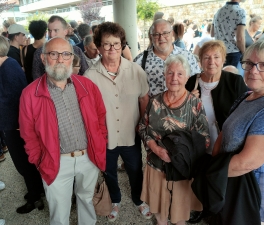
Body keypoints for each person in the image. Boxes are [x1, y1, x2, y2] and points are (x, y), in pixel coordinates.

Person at [19, 37, 107, 225]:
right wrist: (39, 160)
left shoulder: (87, 86)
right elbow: (28, 134)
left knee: (86, 200)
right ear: (43, 58)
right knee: (59, 210)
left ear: (72, 59)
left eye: (66, 54)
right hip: (55, 161)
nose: (60, 59)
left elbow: (101, 118)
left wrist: (100, 143)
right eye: (54, 54)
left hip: (88, 157)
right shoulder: (30, 93)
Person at [213, 39, 264, 225]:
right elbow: (225, 131)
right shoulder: (248, 96)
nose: (253, 70)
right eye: (249, 63)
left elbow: (246, 163)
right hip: (233, 182)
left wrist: (208, 173)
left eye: (263, 65)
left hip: (256, 193)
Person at [84, 22, 151, 222]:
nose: (112, 48)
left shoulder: (136, 71)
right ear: (98, 46)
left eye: (116, 43)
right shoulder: (90, 76)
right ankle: (115, 199)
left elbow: (144, 99)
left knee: (135, 169)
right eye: (106, 44)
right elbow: (89, 111)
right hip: (106, 136)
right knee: (109, 170)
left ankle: (139, 199)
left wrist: (143, 128)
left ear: (122, 45)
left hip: (131, 132)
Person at [138, 54, 210, 225]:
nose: (174, 78)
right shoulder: (154, 101)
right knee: (159, 212)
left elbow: (204, 138)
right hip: (156, 164)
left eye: (179, 74)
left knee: (180, 215)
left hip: (181, 171)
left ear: (186, 77)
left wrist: (181, 154)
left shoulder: (194, 104)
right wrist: (156, 149)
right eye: (170, 73)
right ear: (164, 75)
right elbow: (142, 127)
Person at [185, 40, 247, 223]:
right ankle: (203, 209)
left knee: (222, 177)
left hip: (225, 141)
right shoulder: (191, 82)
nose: (211, 61)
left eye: (216, 57)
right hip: (198, 142)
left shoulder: (234, 81)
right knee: (201, 175)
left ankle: (223, 212)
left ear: (223, 60)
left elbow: (245, 114)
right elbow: (178, 114)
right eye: (206, 57)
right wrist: (188, 101)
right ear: (200, 61)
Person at [0, 35, 45, 214]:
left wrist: (22, 125)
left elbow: (21, 98)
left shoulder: (8, 66)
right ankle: (35, 191)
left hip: (17, 125)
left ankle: (35, 197)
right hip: (10, 124)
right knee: (23, 164)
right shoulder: (6, 65)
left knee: (24, 163)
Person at [134, 19, 200, 97]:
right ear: (151, 36)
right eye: (156, 34)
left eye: (165, 33)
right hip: (151, 108)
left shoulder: (187, 57)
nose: (161, 38)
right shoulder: (139, 61)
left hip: (183, 107)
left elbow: (197, 83)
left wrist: (191, 97)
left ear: (172, 33)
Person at [32, 15, 88, 79]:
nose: (52, 34)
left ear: (65, 31)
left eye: (56, 30)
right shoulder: (40, 52)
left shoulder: (77, 50)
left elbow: (85, 73)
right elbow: (37, 79)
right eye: (50, 31)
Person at [211, 0, 246, 67]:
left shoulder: (218, 12)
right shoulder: (240, 11)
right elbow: (240, 38)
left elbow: (212, 33)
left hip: (219, 51)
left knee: (222, 76)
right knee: (233, 76)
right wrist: (244, 53)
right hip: (233, 53)